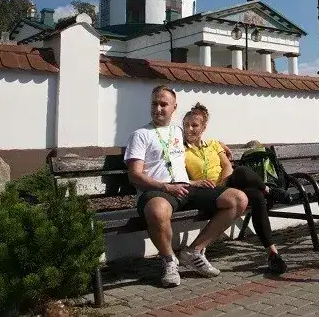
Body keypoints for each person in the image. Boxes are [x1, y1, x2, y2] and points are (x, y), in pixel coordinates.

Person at [124, 85, 249, 288]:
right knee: (157, 210)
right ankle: (169, 261)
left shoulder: (177, 131)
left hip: (186, 188)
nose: (158, 108)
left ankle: (195, 251)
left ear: (174, 107)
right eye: (154, 103)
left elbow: (198, 135)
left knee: (238, 199)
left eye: (164, 104)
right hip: (158, 191)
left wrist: (219, 144)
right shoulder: (140, 135)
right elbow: (134, 176)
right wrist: (165, 187)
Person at [182, 102, 289, 275]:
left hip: (226, 186)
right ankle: (268, 192)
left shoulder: (213, 145)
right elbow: (179, 176)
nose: (190, 129)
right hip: (207, 192)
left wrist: (224, 183)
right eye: (186, 125)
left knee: (240, 172)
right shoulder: (180, 150)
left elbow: (227, 166)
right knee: (255, 196)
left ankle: (273, 253)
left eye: (194, 125)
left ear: (203, 128)